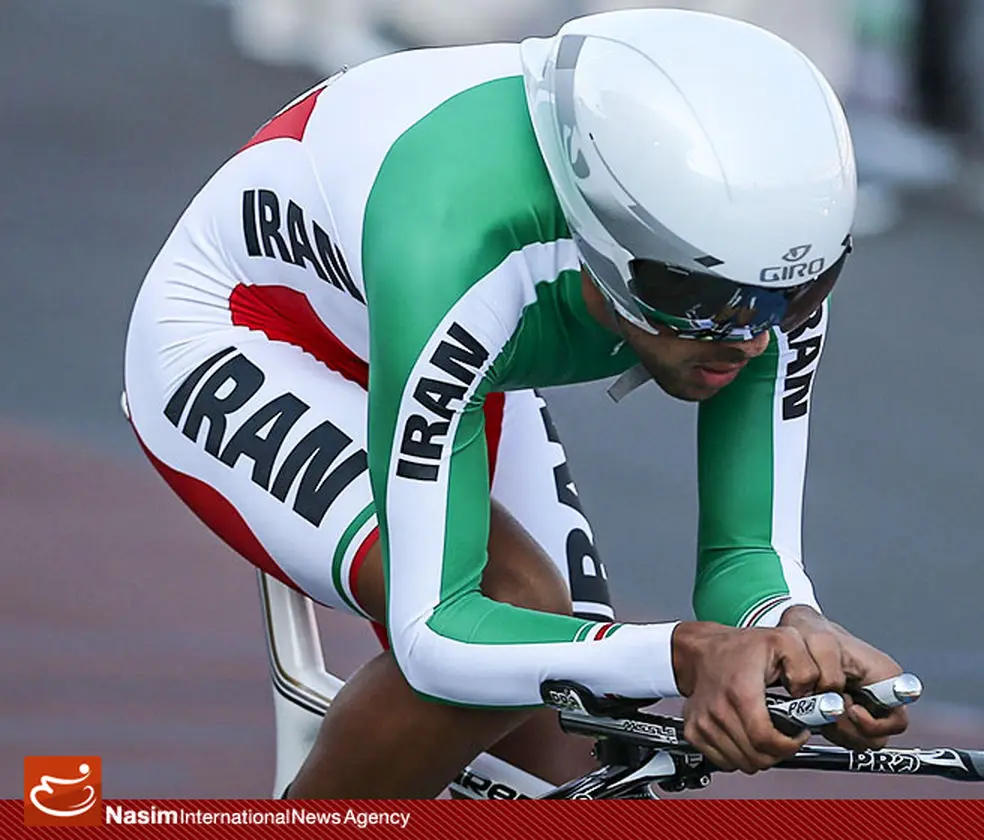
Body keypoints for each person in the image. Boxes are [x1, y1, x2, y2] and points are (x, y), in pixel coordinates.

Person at [122, 8, 909, 799]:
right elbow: (436, 631)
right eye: (702, 300)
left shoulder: (768, 271)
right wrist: (689, 652)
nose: (746, 339)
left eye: (797, 297)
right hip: (248, 330)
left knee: (587, 731)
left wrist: (791, 631)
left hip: (447, 343)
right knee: (516, 604)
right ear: (604, 239)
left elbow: (748, 555)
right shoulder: (462, 241)